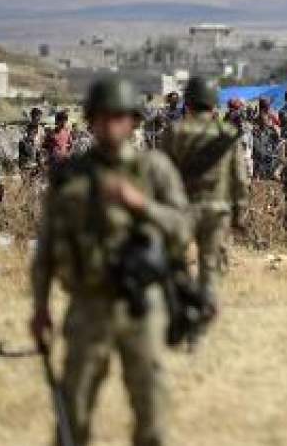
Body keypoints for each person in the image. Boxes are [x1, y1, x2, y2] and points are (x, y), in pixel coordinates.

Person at [30, 76, 192, 446]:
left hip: (142, 304)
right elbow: (47, 249)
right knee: (74, 412)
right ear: (91, 120)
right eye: (102, 117)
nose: (111, 125)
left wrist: (142, 205)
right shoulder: (70, 175)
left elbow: (183, 228)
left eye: (119, 116)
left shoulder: (154, 170)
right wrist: (40, 307)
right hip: (88, 304)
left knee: (152, 410)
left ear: (133, 120)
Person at [160, 76, 250, 328]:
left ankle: (183, 308)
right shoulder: (227, 133)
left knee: (176, 261)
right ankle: (206, 311)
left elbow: (161, 173)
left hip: (181, 210)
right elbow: (240, 179)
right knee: (210, 265)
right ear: (213, 104)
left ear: (187, 103)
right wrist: (239, 213)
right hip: (217, 210)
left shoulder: (175, 132)